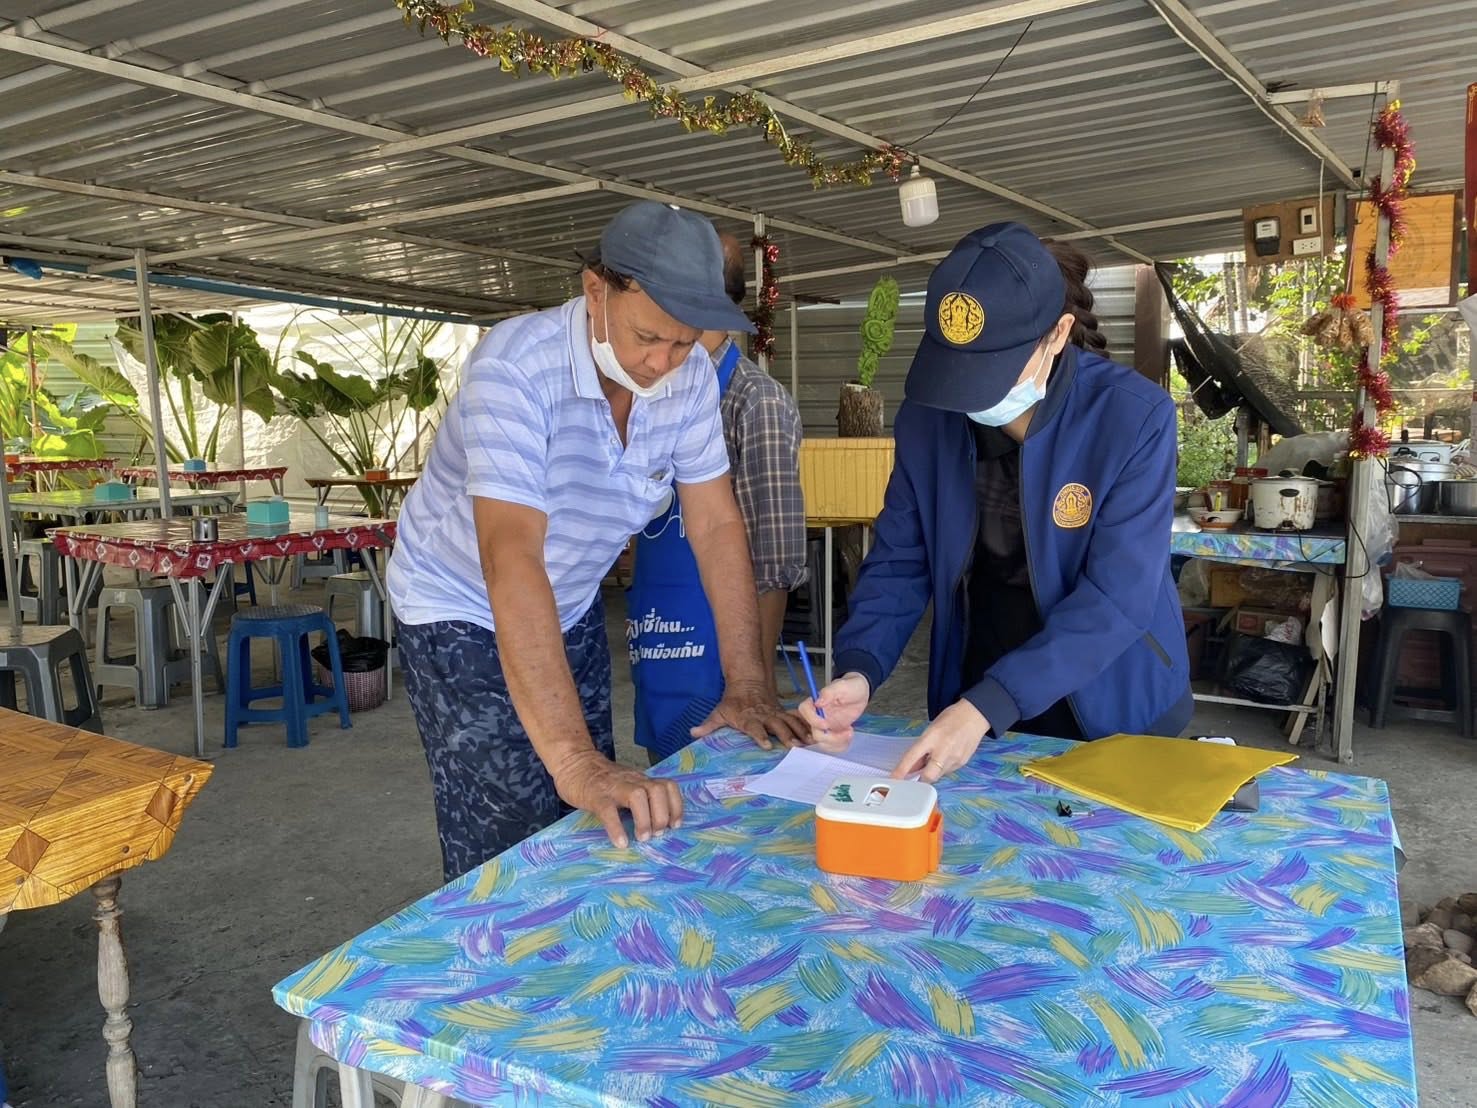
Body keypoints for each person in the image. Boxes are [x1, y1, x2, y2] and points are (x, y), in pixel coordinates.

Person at [390, 200, 805, 882]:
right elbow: (511, 554)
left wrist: (748, 684)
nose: (662, 362)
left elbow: (716, 523)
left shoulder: (688, 374)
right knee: (509, 822)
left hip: (570, 597)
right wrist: (575, 762)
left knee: (592, 814)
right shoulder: (515, 365)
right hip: (460, 605)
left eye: (683, 341)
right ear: (594, 291)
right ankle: (490, 972)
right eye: (647, 337)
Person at [798, 222, 1193, 781]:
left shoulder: (1131, 417)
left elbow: (1117, 596)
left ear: (1056, 335)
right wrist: (860, 669)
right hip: (979, 689)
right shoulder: (928, 418)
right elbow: (900, 559)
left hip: (1112, 698)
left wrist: (988, 706)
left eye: (989, 373)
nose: (967, 395)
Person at [627, 232, 807, 763]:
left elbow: (774, 563)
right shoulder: (653, 393)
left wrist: (754, 685)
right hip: (658, 644)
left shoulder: (756, 402)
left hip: (719, 663)